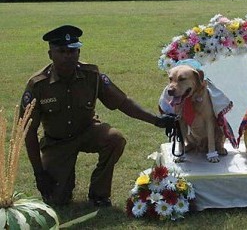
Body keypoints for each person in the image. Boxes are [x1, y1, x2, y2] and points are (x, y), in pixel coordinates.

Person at [19, 25, 176, 207]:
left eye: (73, 51)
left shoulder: (91, 75)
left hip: (87, 131)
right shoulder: (38, 85)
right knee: (57, 199)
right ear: (50, 54)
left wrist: (156, 120)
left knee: (114, 139)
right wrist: (39, 173)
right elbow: (28, 132)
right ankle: (62, 181)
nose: (68, 56)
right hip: (57, 142)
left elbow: (123, 103)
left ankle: (99, 194)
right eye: (61, 51)